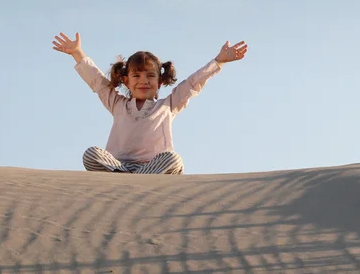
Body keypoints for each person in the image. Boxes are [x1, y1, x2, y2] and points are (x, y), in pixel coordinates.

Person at [52, 32, 248, 174]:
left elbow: (192, 84)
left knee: (174, 159)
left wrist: (219, 61)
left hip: (153, 168)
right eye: (136, 75)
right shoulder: (117, 104)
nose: (143, 81)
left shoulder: (168, 105)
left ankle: (139, 179)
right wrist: (78, 53)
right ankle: (124, 178)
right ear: (127, 81)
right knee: (90, 154)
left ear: (159, 81)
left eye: (150, 76)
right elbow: (98, 82)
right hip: (119, 166)